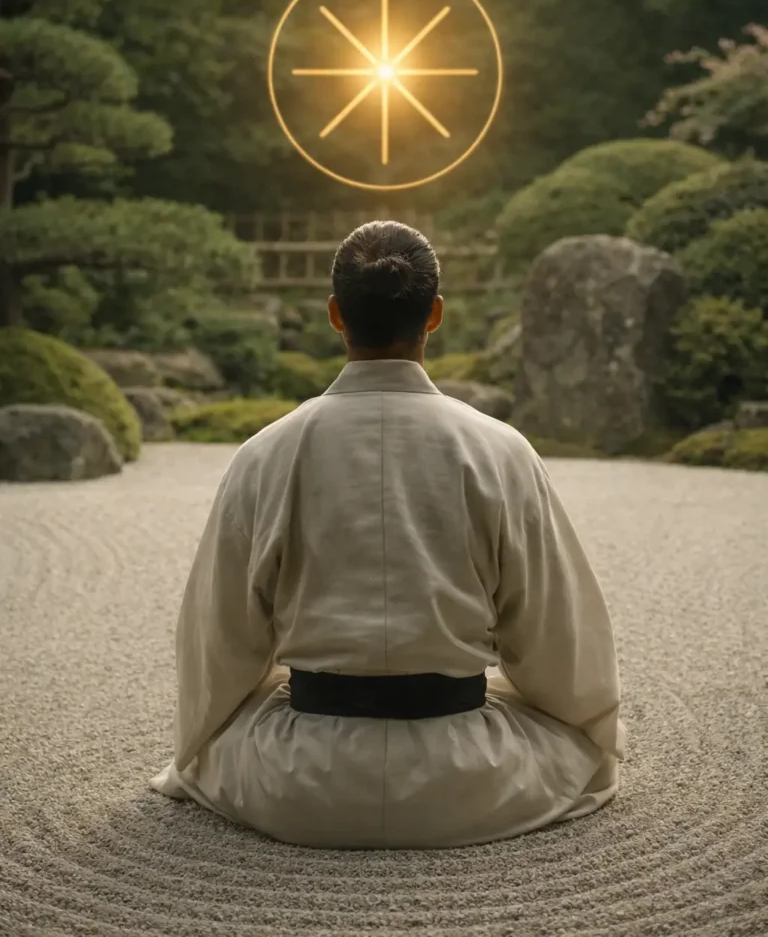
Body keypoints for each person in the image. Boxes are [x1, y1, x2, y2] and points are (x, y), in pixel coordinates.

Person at [150, 220, 625, 848]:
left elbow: (219, 638)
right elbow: (556, 635)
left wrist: (201, 741)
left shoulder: (265, 454)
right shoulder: (500, 451)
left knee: (218, 739)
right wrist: (589, 729)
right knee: (578, 747)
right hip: (468, 779)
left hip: (299, 782)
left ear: (334, 315)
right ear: (434, 316)